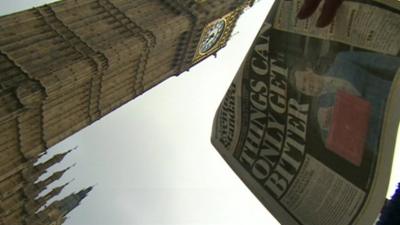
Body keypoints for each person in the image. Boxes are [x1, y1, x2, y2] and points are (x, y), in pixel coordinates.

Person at [289, 51, 400, 153]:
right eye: (303, 89)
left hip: (393, 96)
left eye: (305, 79)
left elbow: (377, 61)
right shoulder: (322, 113)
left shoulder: (342, 60)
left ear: (309, 69)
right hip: (388, 135)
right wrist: (326, 127)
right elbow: (334, 143)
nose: (308, 86)